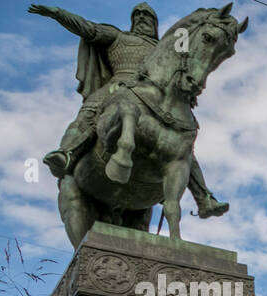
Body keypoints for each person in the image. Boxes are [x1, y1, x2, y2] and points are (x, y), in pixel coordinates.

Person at [28, 2, 228, 217]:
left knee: (182, 142)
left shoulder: (166, 47)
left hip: (158, 94)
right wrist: (59, 14)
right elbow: (88, 28)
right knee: (90, 112)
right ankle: (66, 152)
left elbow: (189, 66)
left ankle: (203, 197)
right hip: (118, 86)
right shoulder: (118, 37)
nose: (143, 19)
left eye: (148, 16)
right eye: (138, 16)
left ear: (155, 23)